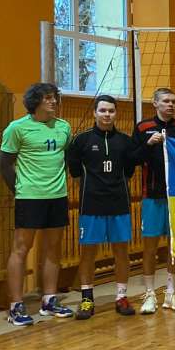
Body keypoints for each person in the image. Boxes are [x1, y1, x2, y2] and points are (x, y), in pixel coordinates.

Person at [0, 83, 74, 325]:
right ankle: (16, 306)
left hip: (57, 196)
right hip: (30, 197)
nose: (53, 102)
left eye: (55, 97)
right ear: (36, 102)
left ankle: (49, 300)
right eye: (48, 98)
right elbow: (5, 165)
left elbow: (66, 158)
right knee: (21, 249)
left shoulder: (63, 127)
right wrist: (20, 191)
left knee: (53, 248)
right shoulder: (17, 128)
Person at [65, 95, 138, 319]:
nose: (107, 114)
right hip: (91, 205)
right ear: (94, 113)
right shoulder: (82, 140)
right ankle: (87, 299)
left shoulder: (125, 141)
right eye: (103, 110)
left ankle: (121, 296)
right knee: (88, 253)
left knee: (121, 252)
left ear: (116, 114)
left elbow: (129, 171)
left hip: (119, 204)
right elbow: (75, 170)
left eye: (111, 111)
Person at [132, 87, 175, 313]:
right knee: (150, 246)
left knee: (174, 246)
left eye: (173, 101)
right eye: (166, 101)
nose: (170, 105)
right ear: (155, 103)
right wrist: (148, 144)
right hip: (152, 195)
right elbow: (133, 158)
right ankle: (149, 294)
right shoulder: (143, 127)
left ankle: (171, 292)